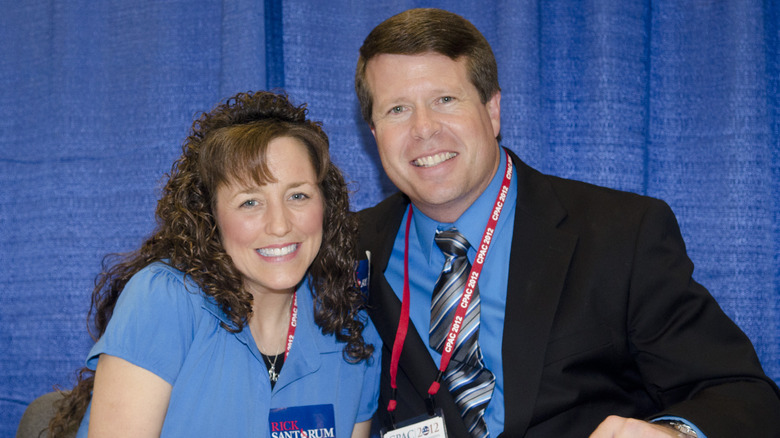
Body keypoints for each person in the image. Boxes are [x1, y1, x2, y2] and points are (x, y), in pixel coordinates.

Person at [354, 8, 780, 438]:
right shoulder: (345, 249)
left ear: (493, 109)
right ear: (374, 134)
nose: (424, 128)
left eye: (445, 100)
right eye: (397, 109)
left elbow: (743, 394)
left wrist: (676, 434)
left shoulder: (620, 235)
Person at [47, 90, 380, 438]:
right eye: (250, 202)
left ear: (326, 205)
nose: (280, 225)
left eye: (298, 196)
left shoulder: (352, 332)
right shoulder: (164, 301)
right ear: (210, 217)